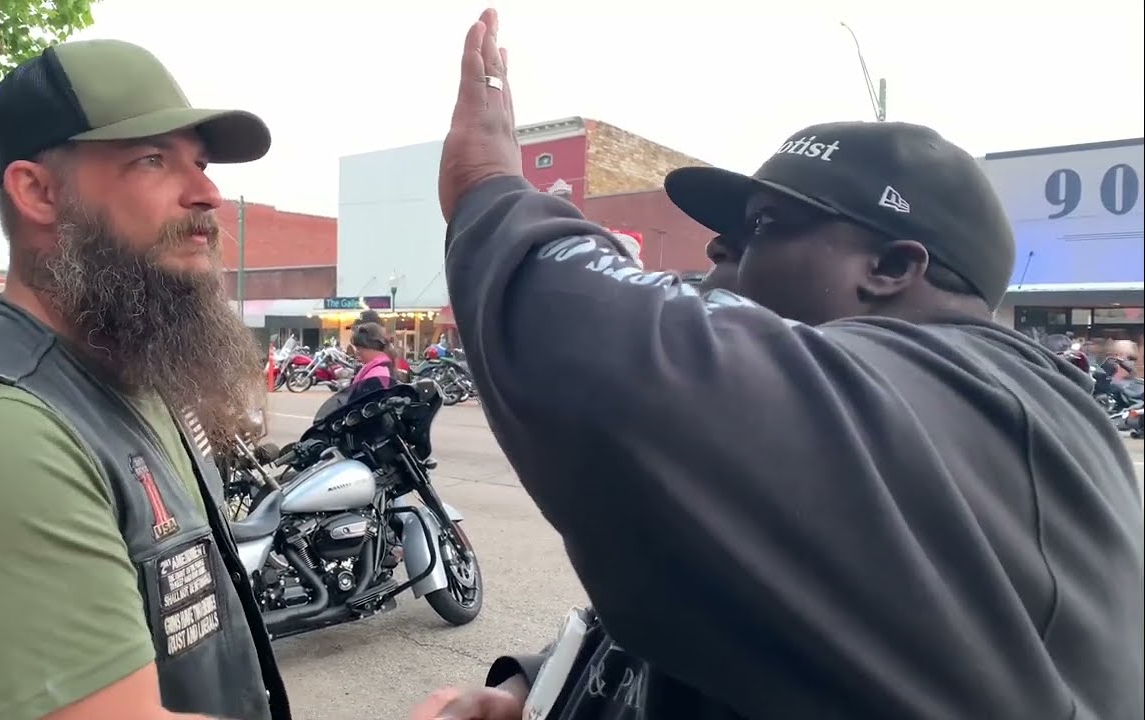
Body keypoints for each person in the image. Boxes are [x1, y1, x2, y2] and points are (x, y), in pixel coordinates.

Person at [415, 9, 1143, 720]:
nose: (718, 249)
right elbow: (738, 597)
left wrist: (488, 187)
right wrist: (541, 690)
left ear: (890, 267)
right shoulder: (880, 421)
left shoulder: (986, 399)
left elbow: (615, 367)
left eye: (763, 226)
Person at [0, 40, 292, 720]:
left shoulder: (143, 379)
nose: (208, 193)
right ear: (36, 191)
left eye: (202, 163)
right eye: (153, 160)